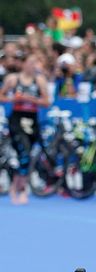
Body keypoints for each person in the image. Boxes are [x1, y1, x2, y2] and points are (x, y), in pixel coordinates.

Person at [0, 54, 50, 204]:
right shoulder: (13, 79)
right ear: (24, 64)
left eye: (35, 63)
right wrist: (13, 99)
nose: (32, 66)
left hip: (32, 119)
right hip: (17, 120)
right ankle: (20, 189)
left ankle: (17, 185)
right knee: (24, 153)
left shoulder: (40, 80)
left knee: (27, 157)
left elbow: (47, 102)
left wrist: (32, 99)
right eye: (30, 63)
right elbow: (1, 96)